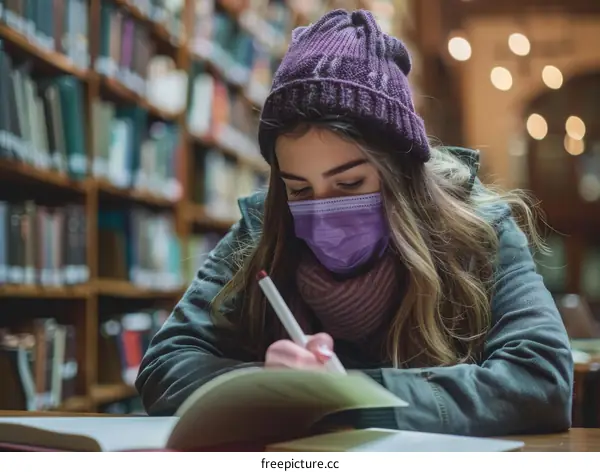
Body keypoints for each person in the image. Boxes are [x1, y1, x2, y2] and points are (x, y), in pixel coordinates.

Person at [136, 9, 573, 437]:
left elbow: (541, 380)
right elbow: (165, 363)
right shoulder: (260, 233)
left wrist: (346, 394)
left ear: (400, 173)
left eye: (349, 183)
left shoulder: (481, 230)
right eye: (300, 190)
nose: (323, 211)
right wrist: (271, 386)